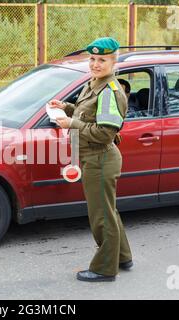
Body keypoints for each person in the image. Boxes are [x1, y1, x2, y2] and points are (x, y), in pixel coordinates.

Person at [48, 37, 133, 282]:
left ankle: (105, 269)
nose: (95, 64)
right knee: (108, 212)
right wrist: (65, 107)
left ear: (113, 62)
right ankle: (123, 257)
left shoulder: (110, 92)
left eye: (102, 60)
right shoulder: (94, 83)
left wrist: (71, 123)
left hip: (100, 158)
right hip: (94, 157)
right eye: (93, 59)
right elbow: (87, 114)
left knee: (101, 216)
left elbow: (105, 132)